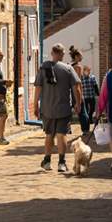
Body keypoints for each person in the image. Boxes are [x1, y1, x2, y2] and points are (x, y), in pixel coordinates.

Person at [33, 43, 83, 173]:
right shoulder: (68, 68)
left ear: (52, 53)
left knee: (49, 134)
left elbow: (38, 88)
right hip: (63, 107)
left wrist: (35, 105)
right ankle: (61, 163)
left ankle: (47, 161)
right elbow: (76, 87)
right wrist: (78, 103)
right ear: (62, 54)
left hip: (47, 108)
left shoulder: (43, 68)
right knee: (62, 134)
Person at [80, 66, 100, 134]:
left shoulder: (92, 77)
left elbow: (95, 86)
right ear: (84, 71)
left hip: (91, 96)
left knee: (92, 109)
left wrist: (98, 94)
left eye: (89, 71)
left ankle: (90, 116)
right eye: (87, 70)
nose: (88, 72)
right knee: (86, 112)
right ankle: (87, 124)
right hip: (85, 97)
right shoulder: (81, 78)